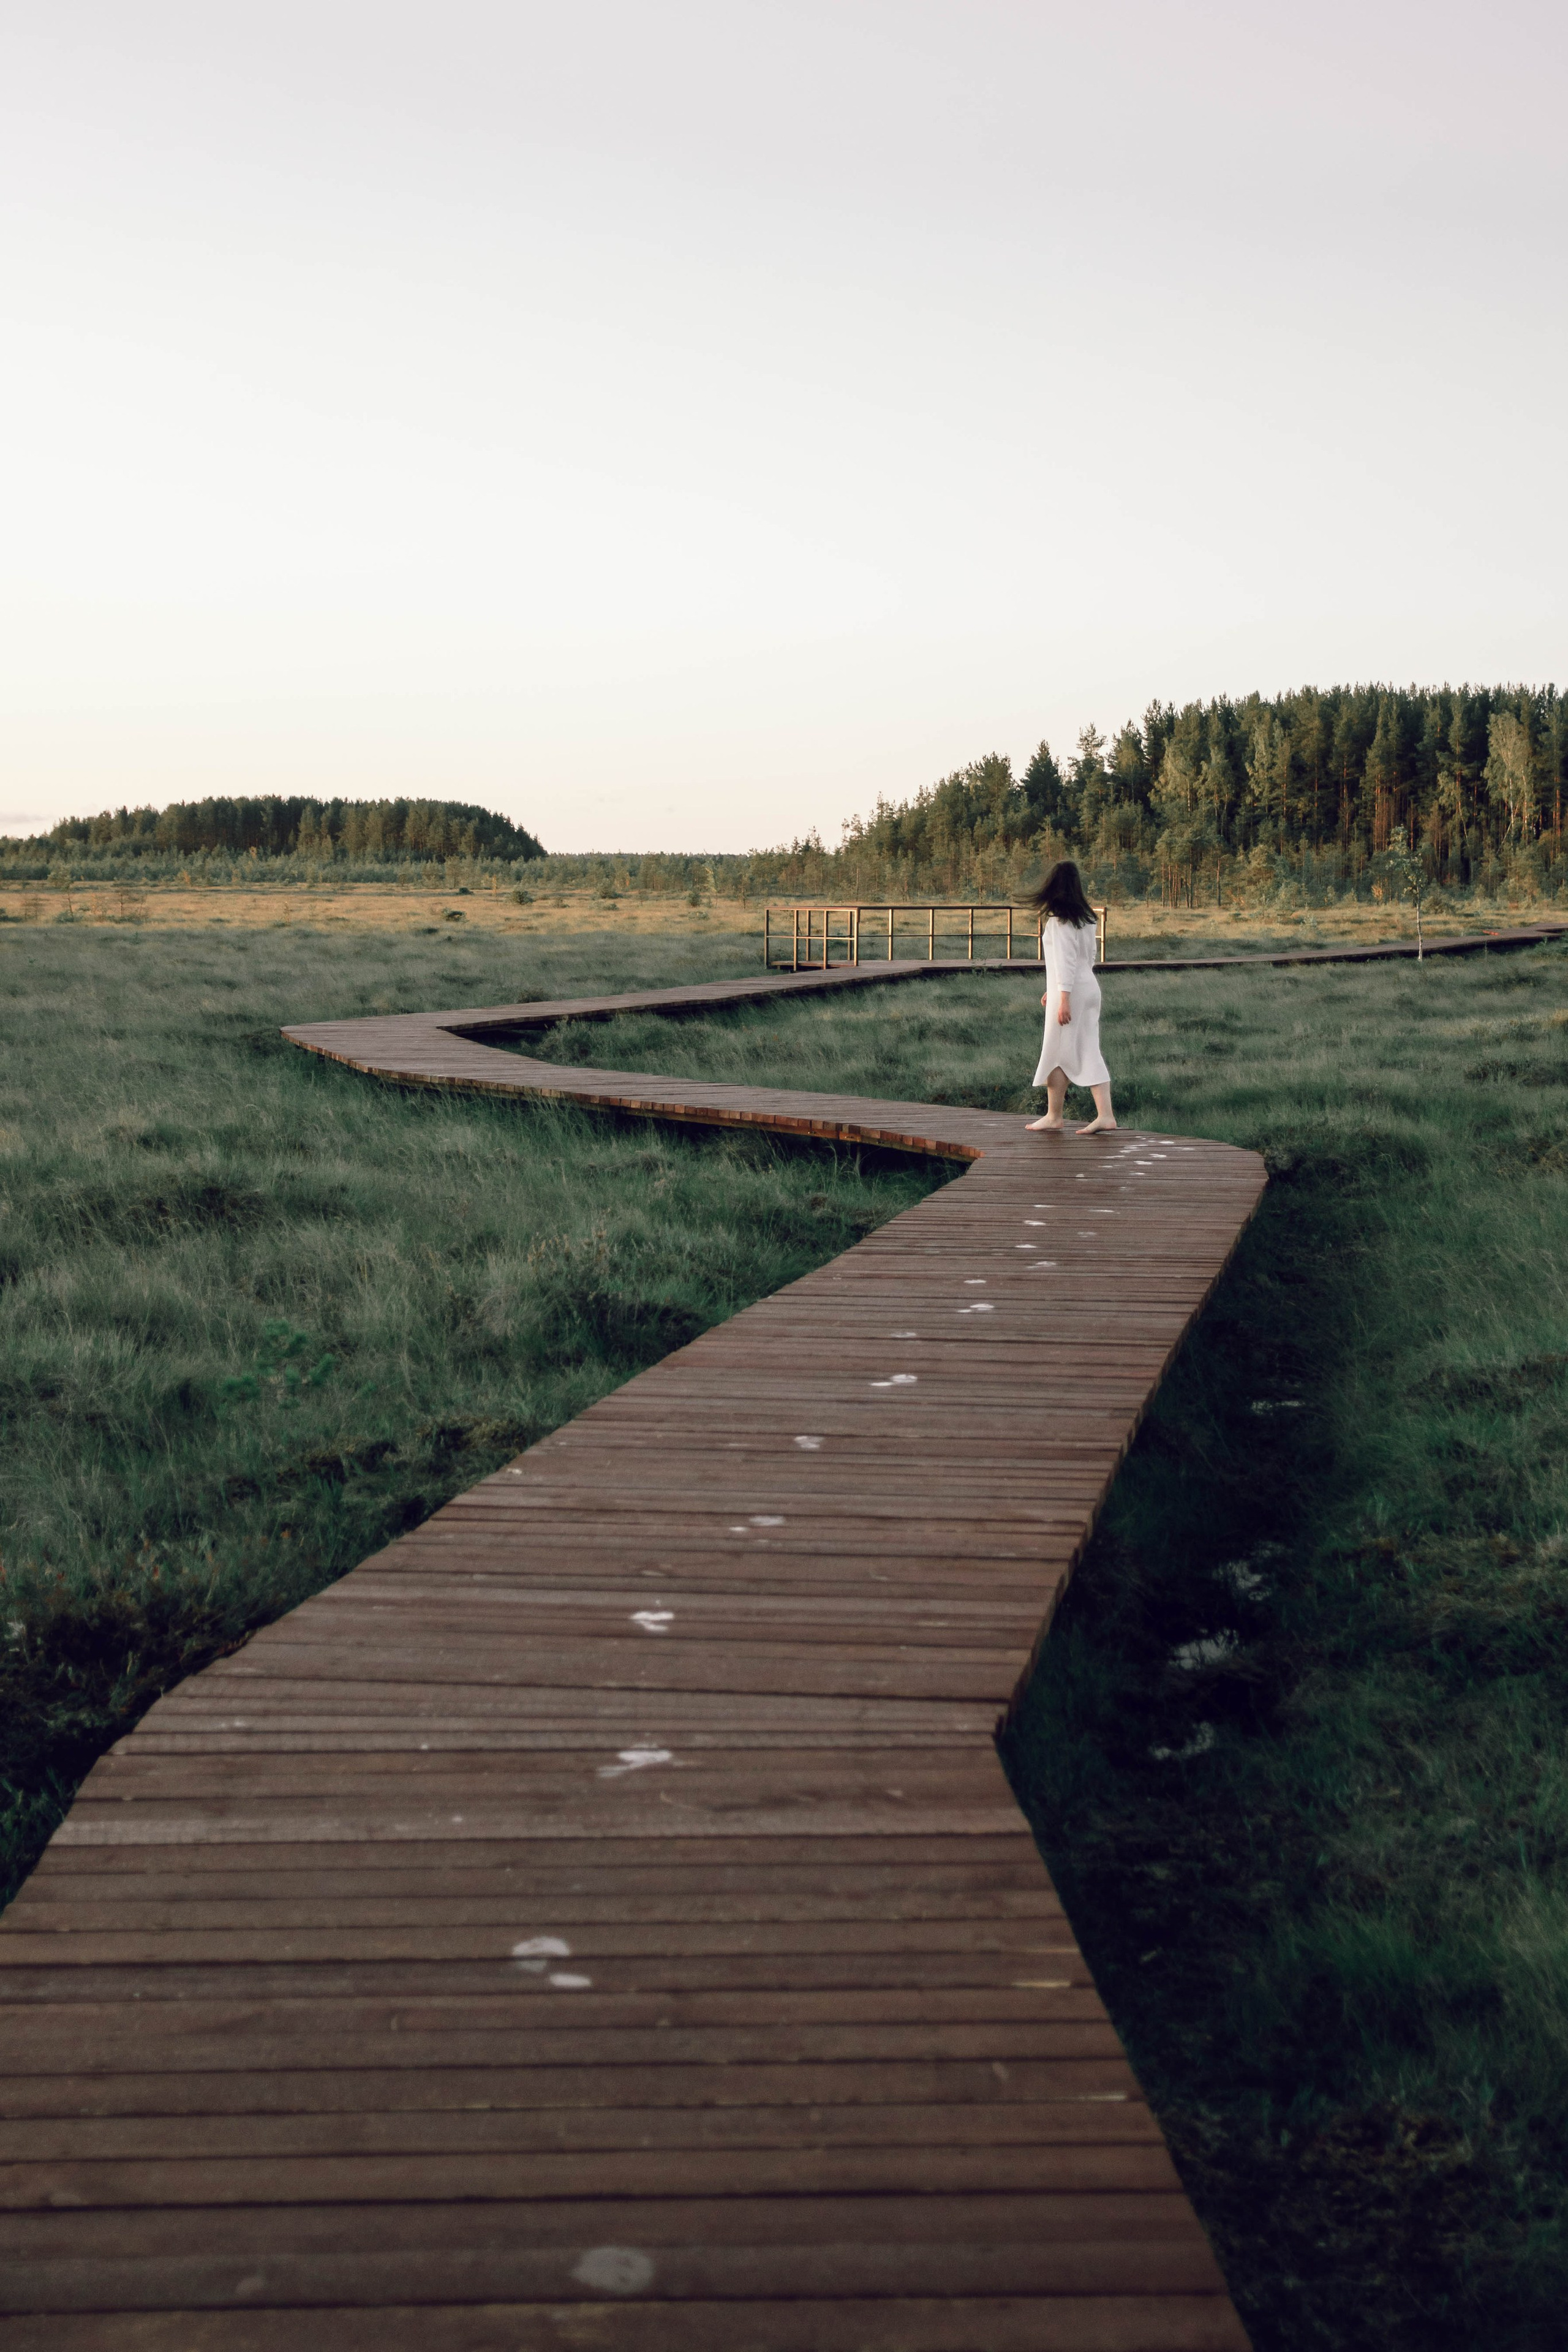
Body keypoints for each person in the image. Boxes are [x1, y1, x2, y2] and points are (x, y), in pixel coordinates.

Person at [1025, 861, 1116, 1134]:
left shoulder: (1060, 921)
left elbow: (1065, 960)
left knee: (1055, 1050)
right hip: (1088, 987)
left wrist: (1062, 996)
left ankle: (1055, 1116)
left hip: (1071, 992)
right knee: (1086, 1048)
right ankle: (1104, 1115)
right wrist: (1053, 989)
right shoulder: (1087, 918)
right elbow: (1087, 958)